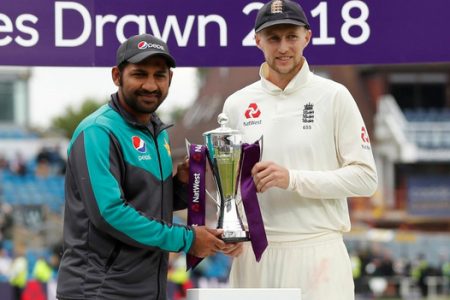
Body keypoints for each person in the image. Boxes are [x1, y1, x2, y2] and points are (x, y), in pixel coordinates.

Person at [56, 33, 240, 300]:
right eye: (139, 74)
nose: (151, 85)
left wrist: (182, 185)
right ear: (117, 76)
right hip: (99, 291)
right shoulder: (98, 132)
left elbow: (148, 203)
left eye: (159, 75)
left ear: (170, 79)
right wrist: (188, 239)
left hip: (146, 290)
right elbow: (110, 214)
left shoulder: (157, 133)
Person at [222, 1, 378, 299]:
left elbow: (365, 179)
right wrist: (233, 231)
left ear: (307, 37)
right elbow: (231, 185)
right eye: (273, 38)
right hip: (255, 256)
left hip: (317, 251)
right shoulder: (236, 104)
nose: (283, 47)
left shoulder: (334, 96)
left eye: (291, 36)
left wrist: (292, 178)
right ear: (258, 41)